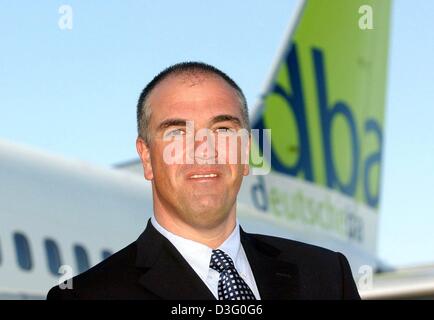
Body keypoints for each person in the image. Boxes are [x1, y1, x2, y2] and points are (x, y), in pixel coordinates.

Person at [47, 62, 360, 300]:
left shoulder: (328, 276)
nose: (204, 150)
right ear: (147, 158)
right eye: (177, 133)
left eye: (223, 130)